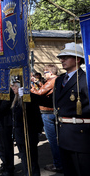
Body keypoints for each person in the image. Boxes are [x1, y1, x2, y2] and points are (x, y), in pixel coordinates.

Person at [54, 42, 90, 175]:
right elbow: (54, 102)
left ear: (77, 59)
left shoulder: (86, 79)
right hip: (64, 135)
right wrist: (28, 95)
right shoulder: (60, 80)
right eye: (61, 57)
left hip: (80, 136)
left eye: (66, 57)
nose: (61, 60)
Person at [30, 64, 63, 172]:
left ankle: (57, 164)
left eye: (45, 72)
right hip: (53, 111)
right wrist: (37, 82)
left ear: (51, 72)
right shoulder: (57, 80)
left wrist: (29, 89)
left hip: (47, 112)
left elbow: (40, 93)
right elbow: (44, 89)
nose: (44, 74)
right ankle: (59, 162)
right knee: (57, 139)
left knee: (52, 140)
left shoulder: (52, 81)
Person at [11, 81, 42, 176]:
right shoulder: (15, 99)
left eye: (15, 86)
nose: (13, 88)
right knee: (24, 158)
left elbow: (36, 116)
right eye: (13, 86)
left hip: (29, 134)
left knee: (31, 159)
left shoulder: (29, 99)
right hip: (19, 134)